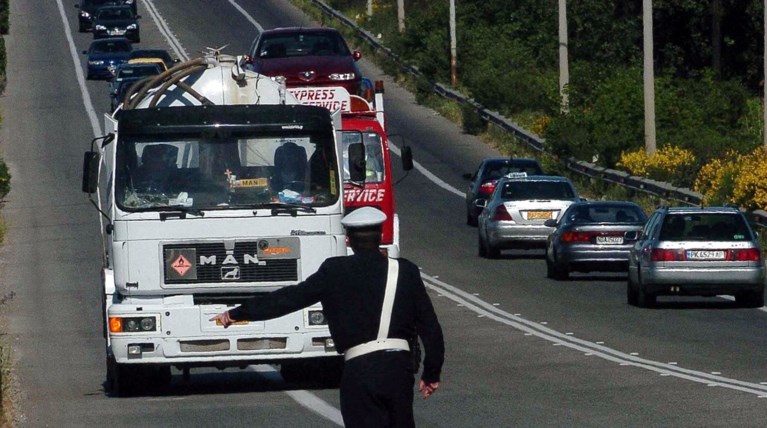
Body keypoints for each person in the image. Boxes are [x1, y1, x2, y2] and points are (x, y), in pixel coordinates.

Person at [211, 206, 444, 427]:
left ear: (348, 240)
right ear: (381, 235)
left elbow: (287, 300)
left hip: (359, 369)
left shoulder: (334, 271)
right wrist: (432, 372)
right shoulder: (406, 271)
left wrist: (237, 313)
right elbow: (430, 328)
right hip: (398, 369)